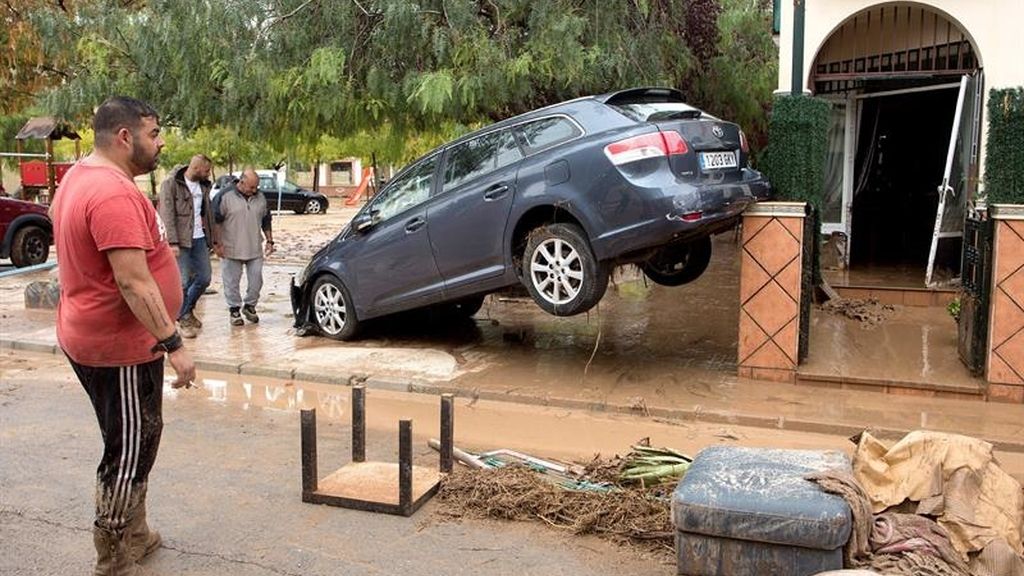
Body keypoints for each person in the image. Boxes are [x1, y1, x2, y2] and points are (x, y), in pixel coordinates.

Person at [50, 96, 196, 576]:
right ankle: (113, 554)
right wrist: (174, 343)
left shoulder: (81, 175)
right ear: (125, 137)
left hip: (97, 335)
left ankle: (135, 531)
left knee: (131, 436)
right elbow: (133, 282)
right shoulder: (112, 194)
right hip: (120, 348)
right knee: (130, 447)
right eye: (154, 134)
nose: (161, 143)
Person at [158, 154, 218, 338]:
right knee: (182, 281)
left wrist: (213, 240)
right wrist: (173, 242)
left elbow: (208, 215)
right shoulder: (171, 184)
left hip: (199, 238)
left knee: (204, 278)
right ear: (197, 168)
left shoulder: (204, 186)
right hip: (181, 240)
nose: (208, 174)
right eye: (206, 170)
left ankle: (184, 311)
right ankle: (183, 317)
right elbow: (166, 214)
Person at [212, 167, 274, 325]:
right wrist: (217, 244)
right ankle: (234, 310)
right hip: (230, 248)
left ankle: (250, 306)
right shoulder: (224, 196)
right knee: (231, 281)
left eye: (256, 187)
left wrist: (270, 241)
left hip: (254, 247)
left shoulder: (260, 198)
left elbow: (266, 220)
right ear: (241, 182)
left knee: (256, 280)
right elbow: (215, 222)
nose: (254, 190)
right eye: (251, 187)